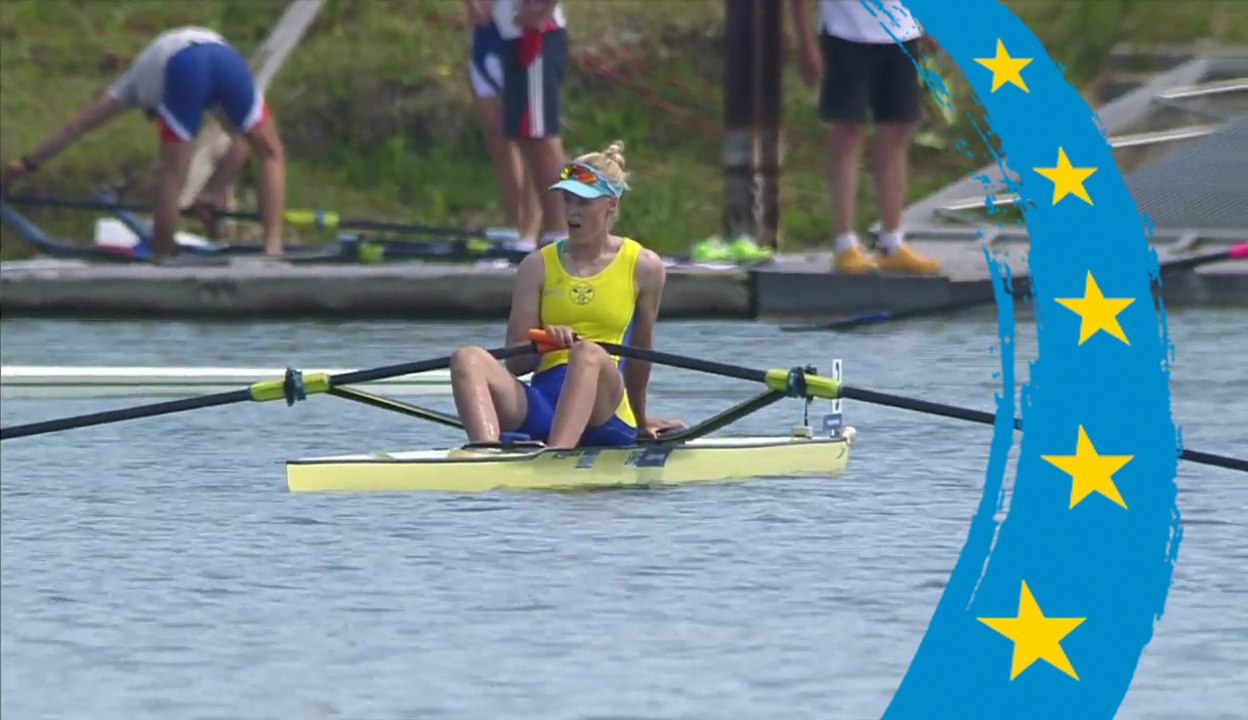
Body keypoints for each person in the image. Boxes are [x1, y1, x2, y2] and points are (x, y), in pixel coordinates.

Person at [449, 141, 683, 449]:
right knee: (467, 358)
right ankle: (484, 454)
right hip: (544, 404)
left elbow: (641, 354)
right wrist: (542, 342)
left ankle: (556, 455)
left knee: (585, 353)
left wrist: (641, 421)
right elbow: (516, 364)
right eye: (568, 201)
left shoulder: (644, 266)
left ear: (611, 205)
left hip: (605, 413)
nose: (572, 212)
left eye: (584, 203)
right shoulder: (536, 266)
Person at [1, 26, 287, 262]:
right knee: (271, 153)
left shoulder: (131, 86)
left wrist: (25, 164)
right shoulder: (212, 93)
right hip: (227, 59)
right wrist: (214, 191)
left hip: (185, 65)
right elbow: (241, 144)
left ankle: (162, 256)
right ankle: (273, 249)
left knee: (172, 174)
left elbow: (77, 127)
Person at [789, 0, 942, 275]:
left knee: (897, 130)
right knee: (847, 133)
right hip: (845, 34)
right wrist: (805, 42)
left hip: (900, 33)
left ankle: (892, 241)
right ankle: (845, 242)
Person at [492, 0, 571, 249]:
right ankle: (550, 230)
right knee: (525, 136)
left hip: (536, 36)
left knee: (542, 138)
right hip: (513, 38)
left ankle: (563, 231)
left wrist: (541, 10)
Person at [467, 0, 542, 248]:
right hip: (485, 40)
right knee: (498, 139)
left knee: (530, 140)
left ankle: (530, 232)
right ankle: (513, 226)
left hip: (523, 39)